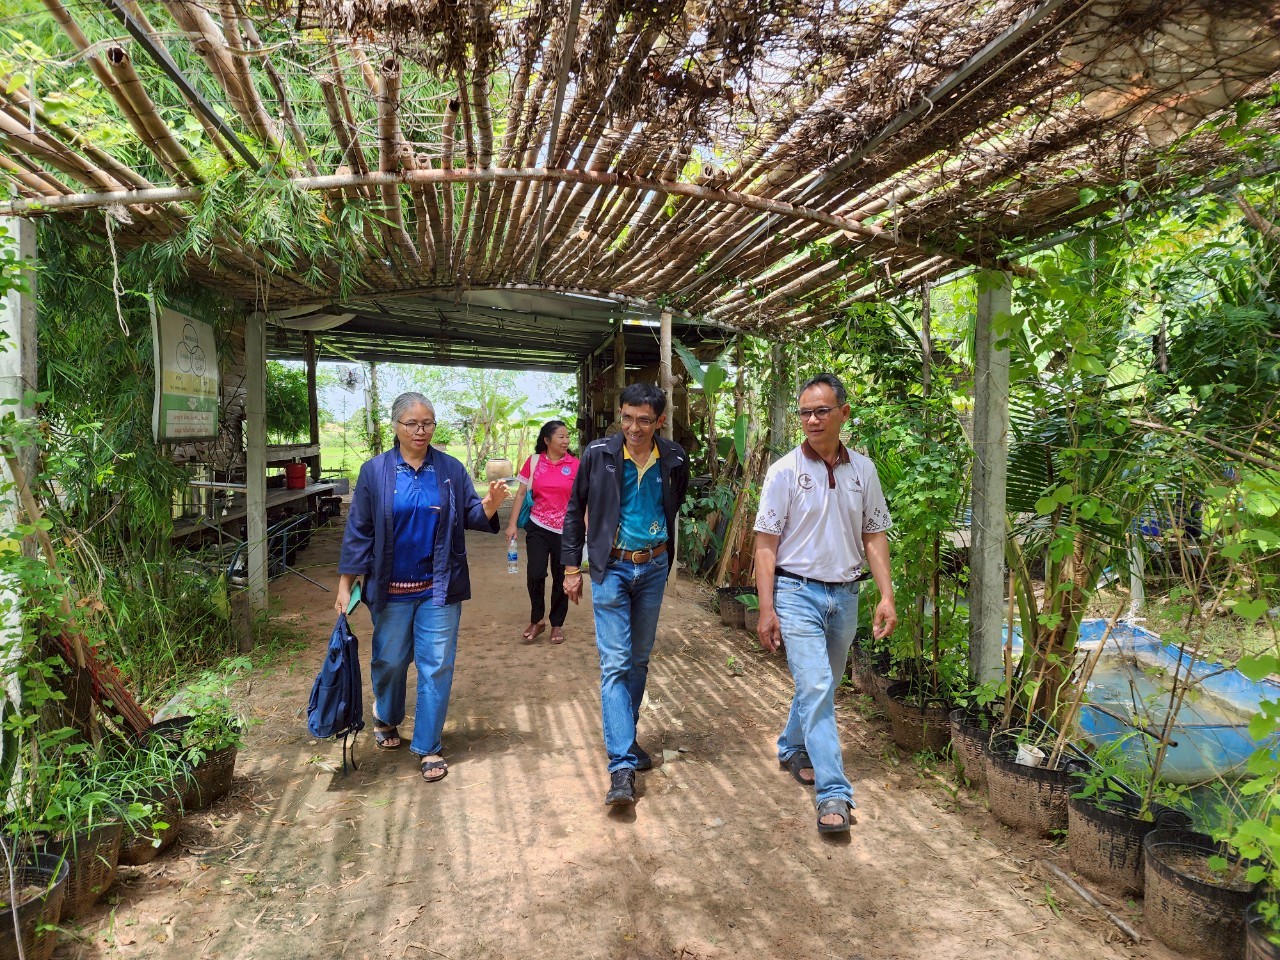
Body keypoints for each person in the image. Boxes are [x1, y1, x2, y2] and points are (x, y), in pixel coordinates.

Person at [335, 392, 508, 784]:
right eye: (412, 424)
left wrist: (492, 503)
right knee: (389, 660)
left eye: (428, 423)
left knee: (437, 665)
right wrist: (346, 585)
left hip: (438, 588)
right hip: (391, 589)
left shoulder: (449, 468)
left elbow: (471, 514)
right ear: (395, 426)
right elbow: (359, 529)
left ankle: (429, 745)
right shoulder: (375, 471)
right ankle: (387, 715)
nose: (421, 430)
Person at [752, 372, 897, 834]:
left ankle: (792, 744)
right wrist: (766, 607)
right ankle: (833, 794)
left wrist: (887, 595)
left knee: (823, 686)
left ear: (843, 414)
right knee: (816, 686)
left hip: (847, 594)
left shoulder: (864, 471)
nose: (812, 420)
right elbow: (765, 544)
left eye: (821, 411)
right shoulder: (784, 471)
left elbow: (874, 533)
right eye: (805, 413)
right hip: (796, 594)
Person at [562, 383, 689, 807]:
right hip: (610, 567)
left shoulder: (673, 459)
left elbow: (672, 506)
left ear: (660, 421)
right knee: (615, 663)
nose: (634, 428)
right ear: (620, 415)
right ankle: (621, 766)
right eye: (628, 418)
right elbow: (573, 512)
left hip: (652, 567)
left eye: (644, 420)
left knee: (638, 660)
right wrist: (570, 568)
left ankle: (626, 739)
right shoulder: (598, 454)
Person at [505, 420, 580, 644]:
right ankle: (537, 619)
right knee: (536, 573)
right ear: (547, 440)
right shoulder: (534, 461)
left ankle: (557, 624)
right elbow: (520, 494)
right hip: (538, 526)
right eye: (561, 437)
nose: (566, 440)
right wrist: (511, 525)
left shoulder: (575, 464)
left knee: (561, 577)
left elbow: (583, 499)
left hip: (566, 530)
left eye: (567, 437)